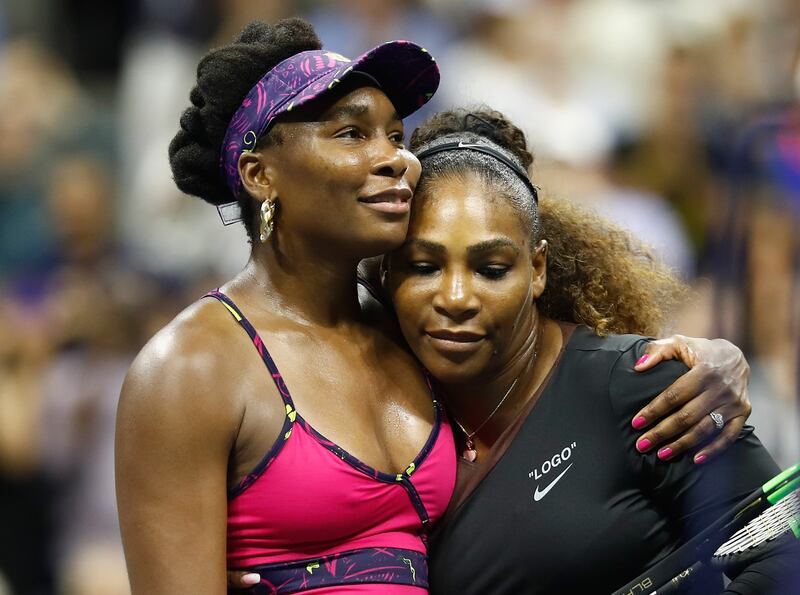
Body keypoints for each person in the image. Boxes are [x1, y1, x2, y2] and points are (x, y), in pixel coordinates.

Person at [117, 19, 752, 595]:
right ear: (260, 176)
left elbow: (557, 372)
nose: (394, 157)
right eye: (351, 133)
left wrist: (706, 363)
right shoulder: (191, 367)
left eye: (395, 135)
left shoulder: (415, 337)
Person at [383, 108, 795, 594]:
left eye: (491, 269)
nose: (455, 298)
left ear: (537, 269)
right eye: (424, 266)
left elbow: (780, 557)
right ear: (386, 272)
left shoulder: (645, 385)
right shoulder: (365, 395)